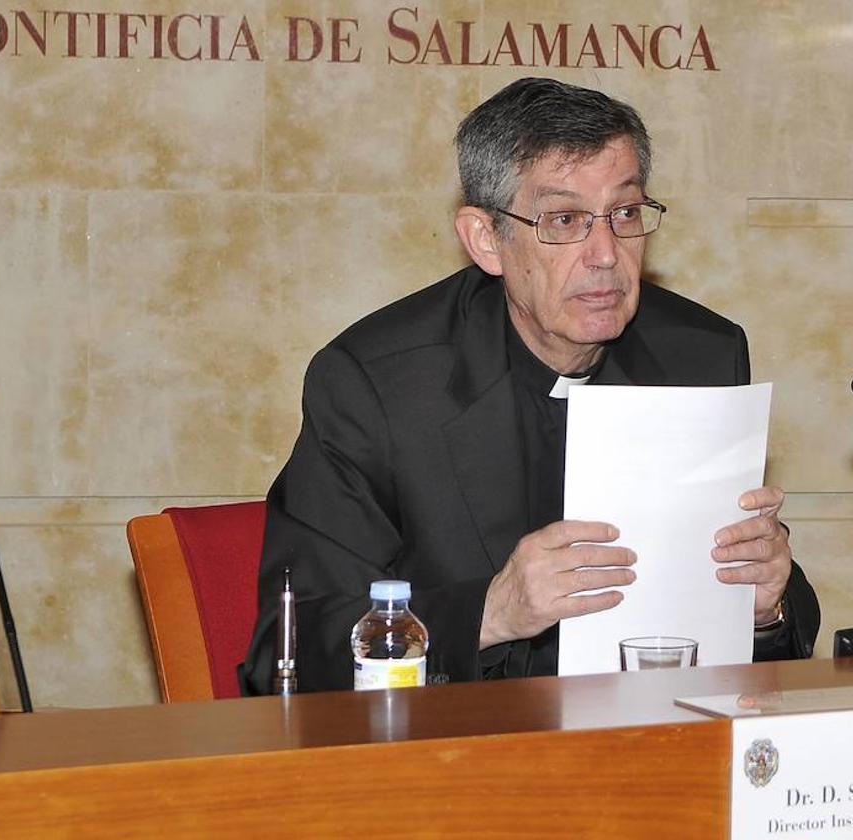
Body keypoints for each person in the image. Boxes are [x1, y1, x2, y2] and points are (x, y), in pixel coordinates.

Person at [240, 77, 819, 693]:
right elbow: (291, 649)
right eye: (565, 220)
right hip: (453, 753)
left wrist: (765, 606)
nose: (605, 253)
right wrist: (491, 612)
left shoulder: (701, 356)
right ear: (487, 240)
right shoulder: (377, 384)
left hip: (644, 743)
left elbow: (764, 635)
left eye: (624, 212)